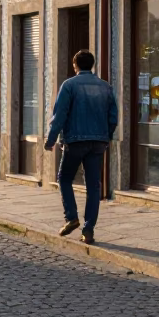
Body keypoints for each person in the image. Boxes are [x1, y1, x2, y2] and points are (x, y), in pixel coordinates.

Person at [45, 50, 117, 245]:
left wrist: (51, 140)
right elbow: (113, 117)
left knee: (64, 178)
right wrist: (106, 136)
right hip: (98, 142)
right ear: (92, 65)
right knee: (93, 185)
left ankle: (71, 217)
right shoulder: (105, 87)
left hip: (75, 141)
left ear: (75, 65)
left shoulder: (69, 85)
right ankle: (88, 229)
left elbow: (59, 116)